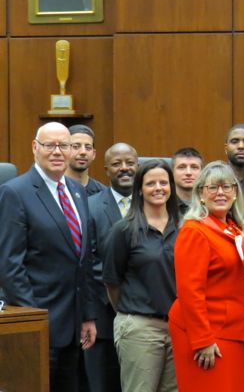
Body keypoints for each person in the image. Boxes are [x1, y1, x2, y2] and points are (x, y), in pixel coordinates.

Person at [0, 122, 97, 392]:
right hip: (39, 324)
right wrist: (35, 320)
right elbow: (10, 265)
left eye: (63, 145)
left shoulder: (77, 191)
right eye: (49, 145)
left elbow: (83, 260)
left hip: (74, 325)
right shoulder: (15, 192)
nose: (57, 151)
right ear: (35, 148)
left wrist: (87, 315)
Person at [169, 161, 244, 391]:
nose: (220, 193)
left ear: (236, 193)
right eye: (213, 188)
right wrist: (202, 340)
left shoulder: (231, 228)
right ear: (200, 194)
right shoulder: (194, 231)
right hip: (209, 335)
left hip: (235, 331)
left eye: (227, 187)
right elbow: (190, 290)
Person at [102, 160, 180, 392]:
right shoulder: (123, 230)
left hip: (178, 328)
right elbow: (112, 282)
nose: (158, 188)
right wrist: (131, 315)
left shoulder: (185, 227)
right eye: (151, 183)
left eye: (164, 183)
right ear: (139, 189)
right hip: (140, 327)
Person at [85, 143, 138, 392]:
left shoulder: (153, 203)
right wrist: (117, 286)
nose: (124, 168)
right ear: (106, 169)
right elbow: (88, 257)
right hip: (103, 310)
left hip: (146, 311)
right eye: (117, 164)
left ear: (138, 165)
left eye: (129, 162)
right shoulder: (91, 205)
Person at [66, 124, 106, 197]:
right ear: (65, 150)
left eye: (88, 148)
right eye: (76, 146)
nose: (83, 152)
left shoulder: (103, 193)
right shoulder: (54, 189)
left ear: (93, 154)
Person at [171, 147, 203, 215]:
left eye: (194, 167)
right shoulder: (163, 205)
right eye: (182, 167)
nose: (188, 173)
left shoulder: (210, 204)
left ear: (202, 172)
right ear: (172, 172)